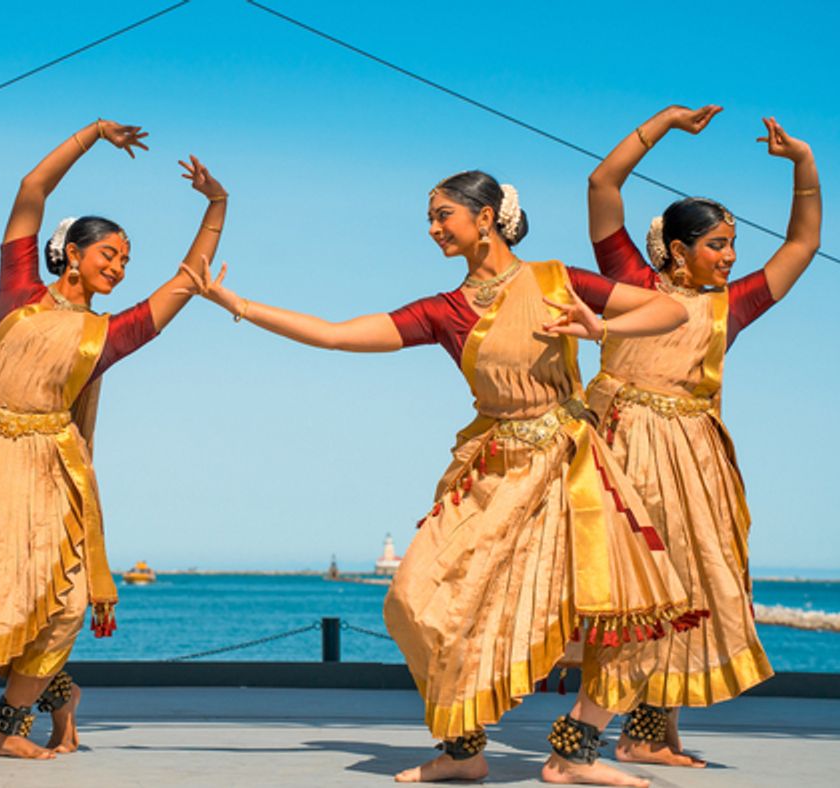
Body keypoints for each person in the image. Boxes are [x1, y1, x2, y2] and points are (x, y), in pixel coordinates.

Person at [179, 171, 701, 787]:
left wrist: (601, 328)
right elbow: (339, 333)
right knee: (411, 601)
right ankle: (462, 749)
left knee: (620, 613)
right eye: (430, 217)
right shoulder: (446, 311)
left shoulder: (557, 280)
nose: (432, 229)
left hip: (570, 471)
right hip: (491, 472)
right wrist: (237, 304)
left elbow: (669, 308)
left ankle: (574, 752)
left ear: (485, 218)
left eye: (442, 215)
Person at [0, 118, 226, 759]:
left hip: (51, 471)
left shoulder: (106, 336)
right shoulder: (18, 295)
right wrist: (92, 134)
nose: (120, 269)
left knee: (62, 603)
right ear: (72, 253)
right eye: (109, 255)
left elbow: (187, 279)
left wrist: (216, 205)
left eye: (126, 261)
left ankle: (6, 730)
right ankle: (59, 694)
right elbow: (31, 189)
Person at [584, 106, 821, 766]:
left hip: (693, 460)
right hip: (619, 454)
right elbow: (603, 187)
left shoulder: (729, 306)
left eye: (734, 245)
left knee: (687, 589)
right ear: (680, 251)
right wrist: (663, 123)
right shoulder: (630, 285)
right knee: (622, 591)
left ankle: (647, 733)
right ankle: (578, 739)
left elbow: (800, 246)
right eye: (719, 244)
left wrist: (803, 165)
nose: (732, 256)